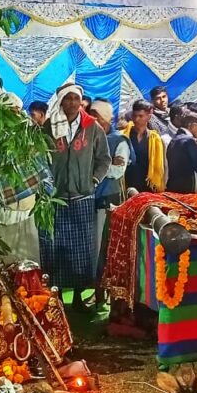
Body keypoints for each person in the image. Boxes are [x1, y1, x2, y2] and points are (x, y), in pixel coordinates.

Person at [40, 84, 110, 312]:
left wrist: (94, 180)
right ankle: (58, 295)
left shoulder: (92, 127)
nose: (71, 103)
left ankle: (80, 296)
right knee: (56, 248)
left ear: (81, 101)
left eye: (75, 99)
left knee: (82, 250)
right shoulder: (49, 127)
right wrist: (47, 184)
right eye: (67, 98)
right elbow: (40, 158)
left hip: (83, 197)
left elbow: (104, 159)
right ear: (60, 100)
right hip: (56, 198)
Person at [0, 92, 46, 264]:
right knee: (4, 248)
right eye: (10, 111)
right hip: (2, 204)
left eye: (17, 111)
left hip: (26, 203)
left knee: (27, 249)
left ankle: (28, 276)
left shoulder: (28, 134)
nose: (15, 115)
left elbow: (39, 164)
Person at [89, 99, 130, 300]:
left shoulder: (119, 141)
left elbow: (117, 171)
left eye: (96, 117)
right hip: (91, 198)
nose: (92, 121)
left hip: (109, 199)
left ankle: (102, 292)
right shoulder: (90, 138)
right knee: (93, 246)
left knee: (105, 246)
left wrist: (94, 168)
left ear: (105, 119)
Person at [121, 100, 166, 194]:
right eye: (134, 115)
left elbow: (160, 167)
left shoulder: (155, 139)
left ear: (149, 116)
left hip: (148, 187)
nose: (136, 119)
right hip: (126, 184)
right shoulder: (123, 135)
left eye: (140, 116)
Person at [166, 105, 197, 193]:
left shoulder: (175, 139)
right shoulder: (189, 141)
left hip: (173, 186)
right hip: (186, 188)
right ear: (191, 125)